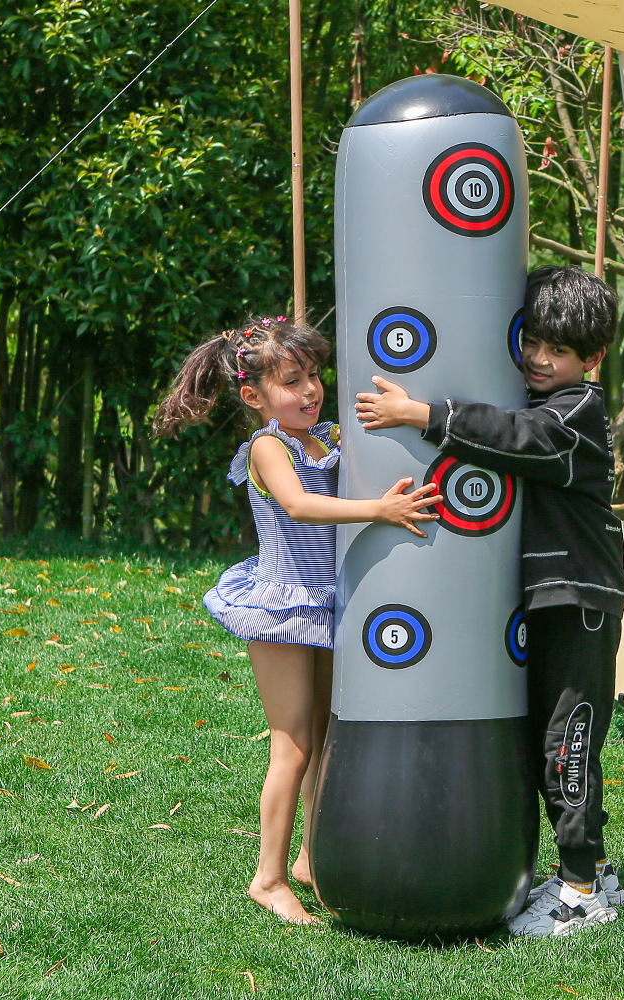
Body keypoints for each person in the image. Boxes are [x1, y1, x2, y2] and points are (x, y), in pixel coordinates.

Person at [354, 265, 624, 938]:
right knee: (545, 739)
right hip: (548, 600)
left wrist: (423, 414)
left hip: (579, 599)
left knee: (567, 742)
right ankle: (592, 869)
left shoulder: (577, 413)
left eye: (557, 350)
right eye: (531, 341)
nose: (538, 357)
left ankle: (582, 889)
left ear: (592, 359)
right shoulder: (542, 397)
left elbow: (516, 438)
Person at [154, 315, 441, 925]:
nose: (310, 389)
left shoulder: (328, 436)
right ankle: (269, 878)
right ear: (253, 396)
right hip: (283, 606)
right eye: (291, 381)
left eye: (313, 375)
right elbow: (299, 504)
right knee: (292, 745)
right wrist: (380, 509)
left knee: (326, 736)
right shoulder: (269, 447)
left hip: (329, 605)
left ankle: (311, 857)